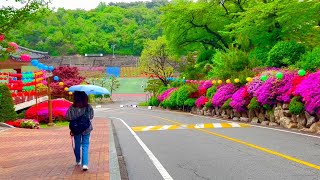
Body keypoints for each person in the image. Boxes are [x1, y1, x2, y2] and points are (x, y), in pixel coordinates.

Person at [67, 91, 94, 171]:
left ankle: (78, 160)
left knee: (77, 145)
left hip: (76, 129)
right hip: (86, 128)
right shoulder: (88, 107)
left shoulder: (72, 107)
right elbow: (91, 116)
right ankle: (85, 164)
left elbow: (68, 117)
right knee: (85, 145)